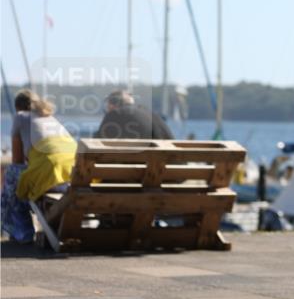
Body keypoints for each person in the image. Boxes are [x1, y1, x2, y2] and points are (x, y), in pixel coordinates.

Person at [1, 90, 77, 243]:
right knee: (21, 178)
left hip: (51, 174)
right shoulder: (51, 118)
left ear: (18, 107)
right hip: (73, 175)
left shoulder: (20, 116)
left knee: (11, 175)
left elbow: (17, 161)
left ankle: (22, 232)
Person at [94, 90, 174, 140]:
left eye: (108, 107)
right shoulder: (150, 114)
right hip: (160, 161)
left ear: (111, 105)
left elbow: (98, 141)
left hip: (133, 161)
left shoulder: (114, 114)